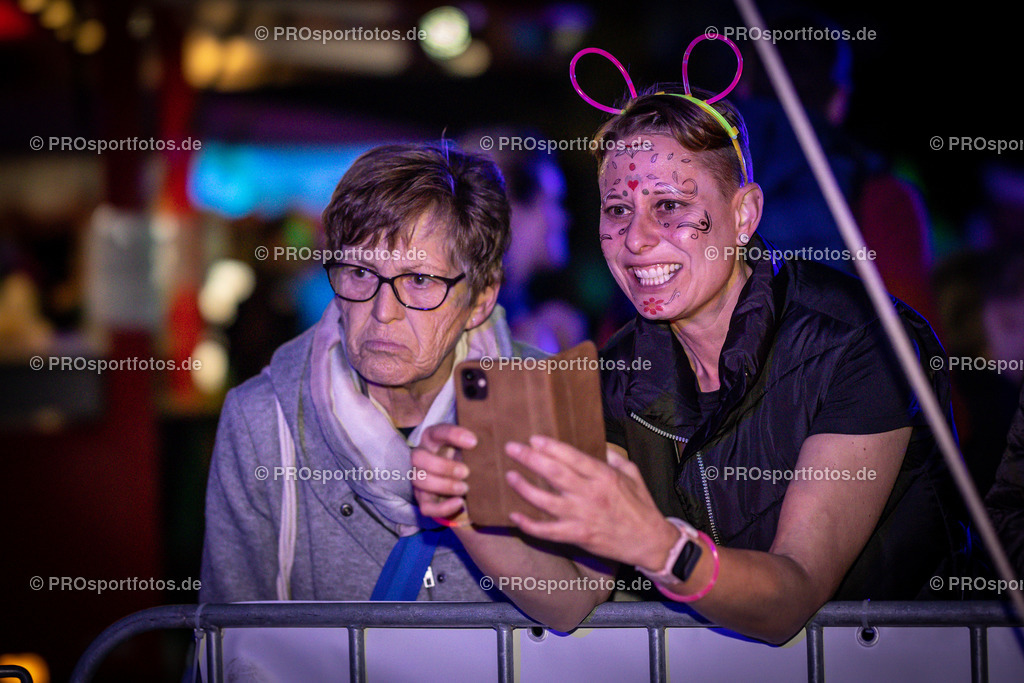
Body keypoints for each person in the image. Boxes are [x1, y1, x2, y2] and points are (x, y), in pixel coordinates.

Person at [413, 85, 966, 644]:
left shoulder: (857, 340)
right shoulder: (617, 374)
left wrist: (656, 545)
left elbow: (791, 598)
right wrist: (465, 511)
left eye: (670, 206)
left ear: (744, 212)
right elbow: (571, 601)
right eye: (618, 210)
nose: (636, 238)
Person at [201, 141, 561, 604]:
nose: (382, 310)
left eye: (420, 279)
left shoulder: (544, 402)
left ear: (481, 299)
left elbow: (578, 617)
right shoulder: (262, 422)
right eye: (360, 273)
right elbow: (234, 645)